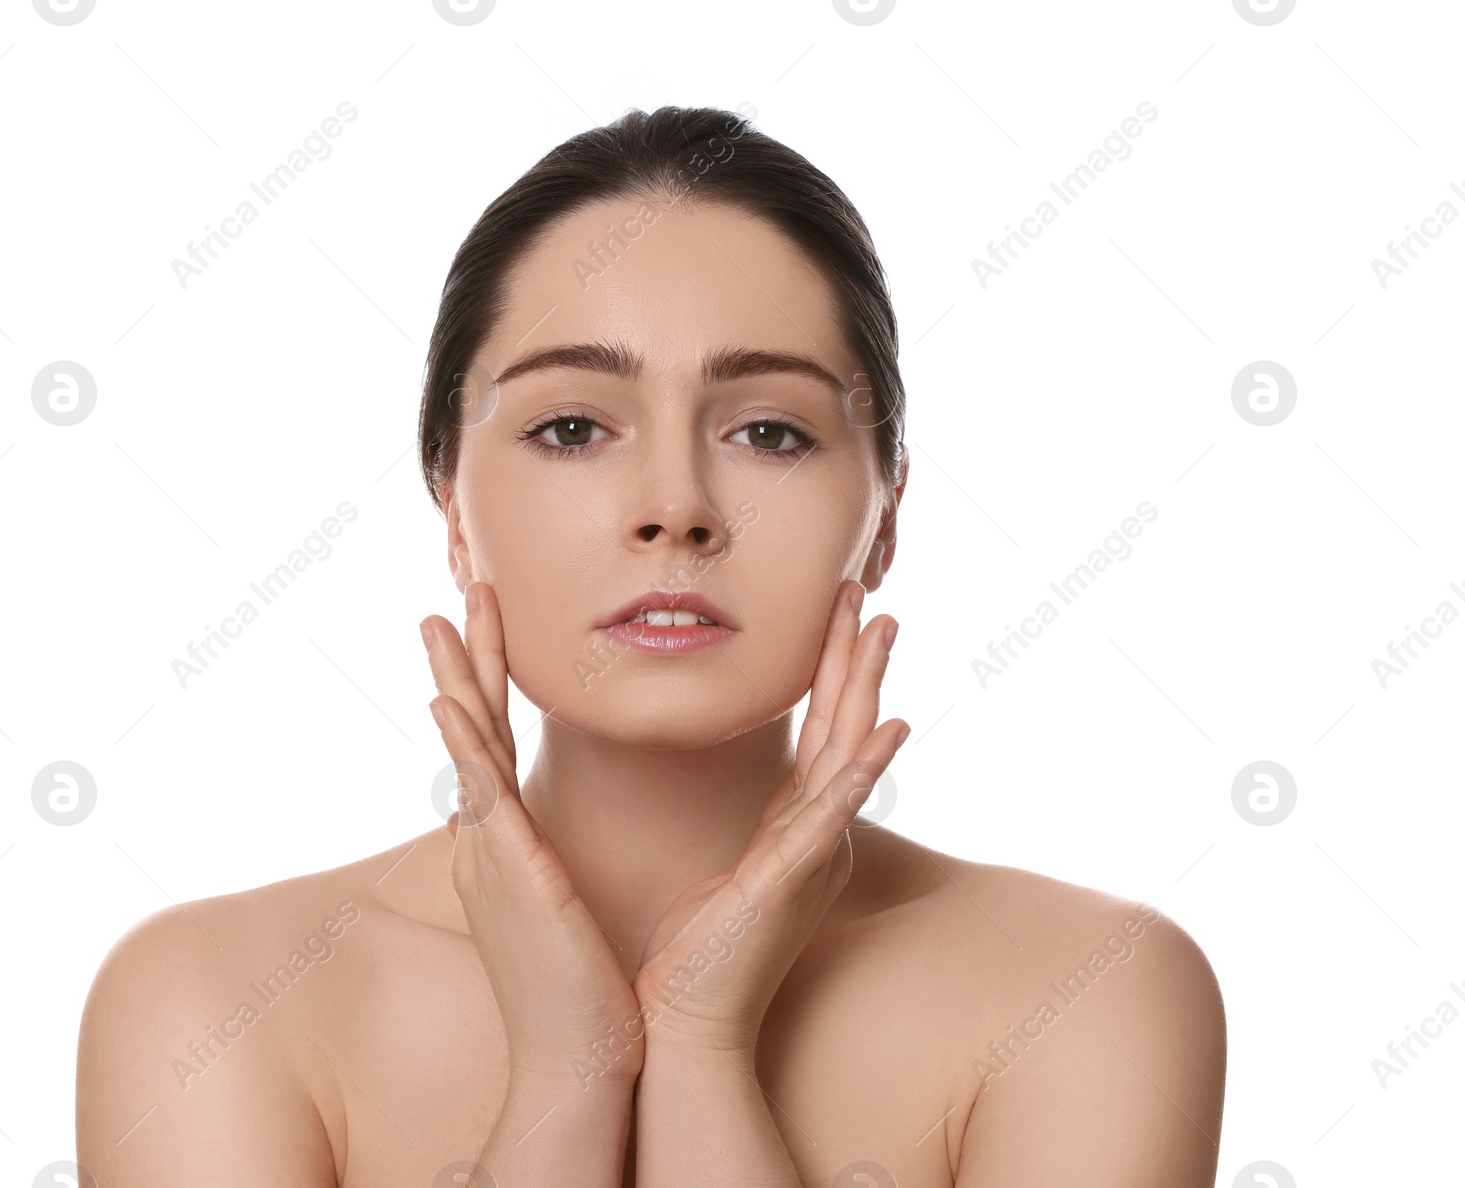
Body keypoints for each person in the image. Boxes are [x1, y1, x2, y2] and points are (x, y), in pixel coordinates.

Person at [77, 105, 1226, 1187]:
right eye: (571, 428)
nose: (674, 507)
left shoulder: (1092, 990)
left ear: (884, 517)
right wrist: (562, 1081)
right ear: (449, 503)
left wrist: (703, 1047)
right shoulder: (209, 1002)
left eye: (769, 431)